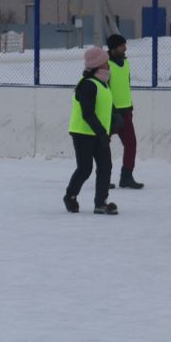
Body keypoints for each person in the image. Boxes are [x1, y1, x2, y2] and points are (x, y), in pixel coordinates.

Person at [65, 45, 118, 215]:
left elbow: (105, 106)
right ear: (99, 65)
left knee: (105, 166)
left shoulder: (103, 84)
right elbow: (87, 113)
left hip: (98, 133)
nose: (108, 65)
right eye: (106, 62)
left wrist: (115, 121)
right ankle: (70, 196)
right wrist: (102, 132)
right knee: (85, 168)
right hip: (83, 133)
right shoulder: (88, 85)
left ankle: (100, 203)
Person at [106, 33, 143, 190]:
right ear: (114, 48)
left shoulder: (125, 63)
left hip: (125, 111)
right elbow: (104, 89)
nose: (125, 48)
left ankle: (126, 177)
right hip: (109, 112)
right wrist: (111, 110)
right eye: (122, 46)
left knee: (131, 144)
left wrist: (129, 106)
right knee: (103, 146)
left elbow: (125, 86)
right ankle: (104, 177)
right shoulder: (105, 65)